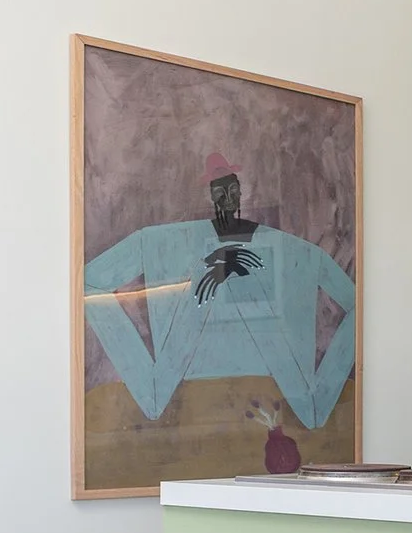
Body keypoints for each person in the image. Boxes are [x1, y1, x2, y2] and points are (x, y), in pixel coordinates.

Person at [82, 152, 357, 429]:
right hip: (183, 392)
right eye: (219, 192)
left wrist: (324, 386)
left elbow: (357, 307)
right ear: (210, 197)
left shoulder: (292, 251)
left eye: (233, 190)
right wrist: (207, 280)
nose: (227, 198)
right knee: (156, 398)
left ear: (241, 194)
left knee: (310, 412)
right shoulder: (167, 243)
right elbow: (88, 284)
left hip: (278, 395)